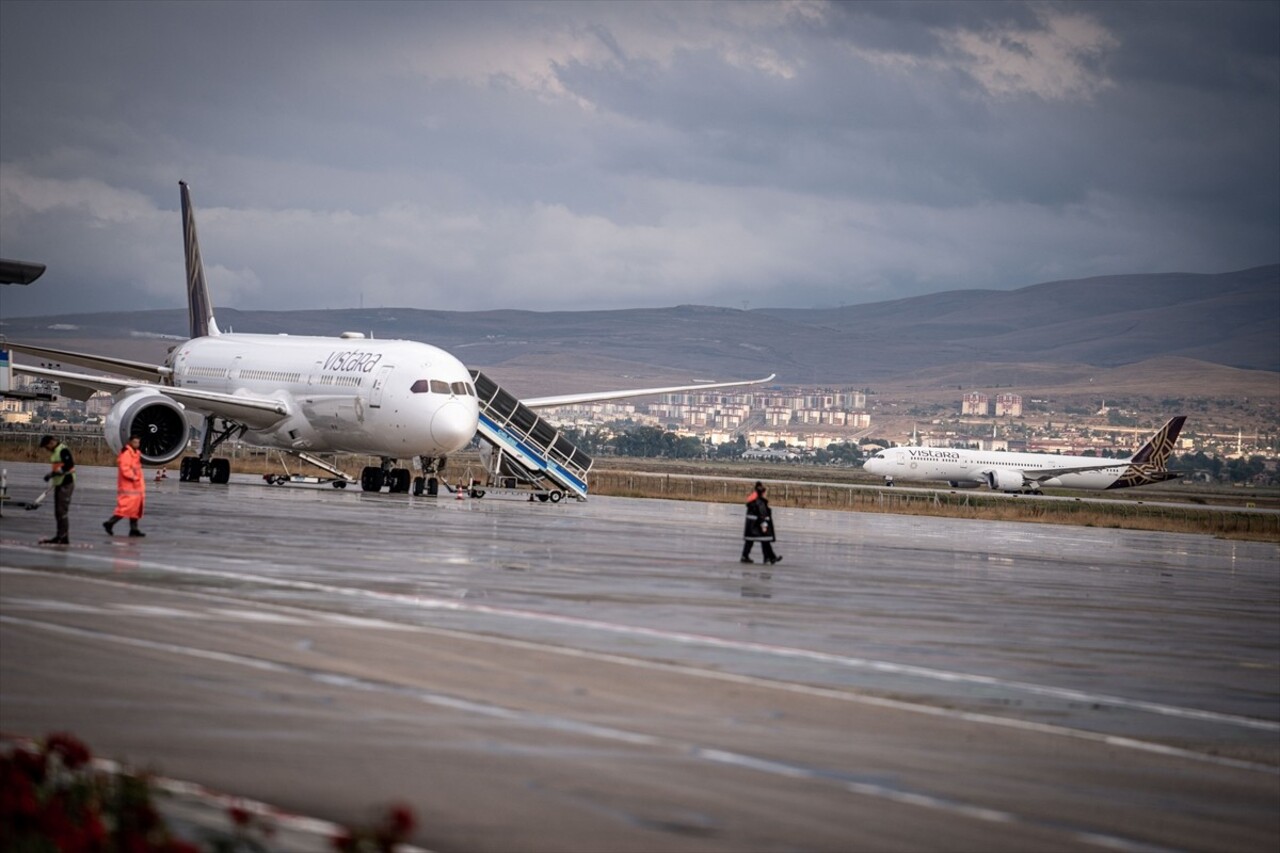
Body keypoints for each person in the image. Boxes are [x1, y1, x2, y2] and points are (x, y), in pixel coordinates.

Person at [104, 434, 146, 537]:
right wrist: (134, 478)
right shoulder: (127, 453)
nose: (137, 444)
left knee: (135, 509)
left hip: (136, 487)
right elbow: (125, 469)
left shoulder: (135, 453)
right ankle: (110, 523)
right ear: (130, 442)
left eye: (138, 442)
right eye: (135, 442)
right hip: (128, 486)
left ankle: (134, 529)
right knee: (125, 508)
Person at [39, 434, 76, 545]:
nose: (47, 449)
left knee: (61, 511)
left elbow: (69, 465)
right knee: (58, 512)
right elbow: (58, 467)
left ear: (51, 443)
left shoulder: (62, 450)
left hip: (66, 483)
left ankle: (63, 537)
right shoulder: (56, 452)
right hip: (60, 483)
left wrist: (58, 472)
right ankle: (60, 535)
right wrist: (51, 475)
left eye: (46, 447)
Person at [741, 481, 781, 564]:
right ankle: (769, 557)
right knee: (764, 540)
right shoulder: (760, 502)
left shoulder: (753, 501)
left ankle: (768, 557)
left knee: (754, 541)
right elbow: (762, 514)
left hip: (752, 526)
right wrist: (764, 525)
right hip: (756, 525)